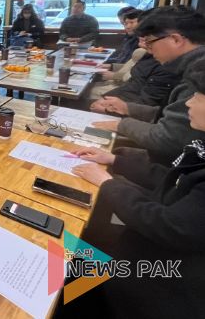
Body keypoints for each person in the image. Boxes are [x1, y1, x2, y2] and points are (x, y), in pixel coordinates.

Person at [56, 57, 205, 318]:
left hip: (158, 279)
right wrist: (115, 161)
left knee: (56, 261)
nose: (189, 103)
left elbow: (168, 225)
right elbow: (172, 179)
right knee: (65, 244)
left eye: (199, 97)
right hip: (143, 252)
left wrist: (108, 183)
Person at [91, 6, 205, 164]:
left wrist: (121, 125)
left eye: (150, 42)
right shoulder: (189, 67)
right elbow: (171, 115)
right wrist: (127, 107)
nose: (149, 50)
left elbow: (168, 139)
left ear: (176, 40)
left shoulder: (198, 75)